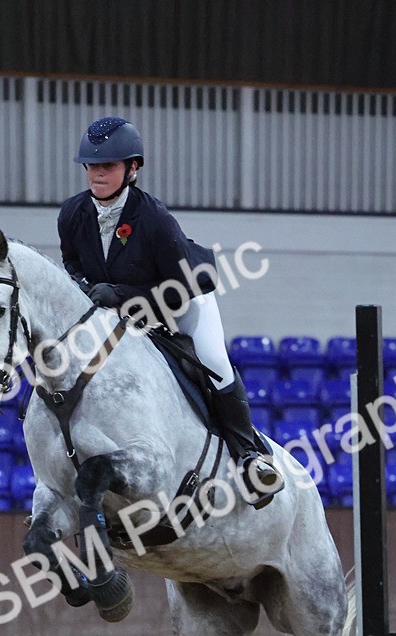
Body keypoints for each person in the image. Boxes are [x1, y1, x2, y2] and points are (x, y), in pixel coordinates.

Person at [58, 116, 284, 507]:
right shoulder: (72, 214)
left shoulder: (155, 220)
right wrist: (86, 290)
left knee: (213, 361)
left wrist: (121, 293)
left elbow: (178, 290)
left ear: (132, 168)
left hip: (180, 301)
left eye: (108, 166)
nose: (97, 175)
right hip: (119, 314)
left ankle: (250, 457)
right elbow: (72, 264)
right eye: (92, 166)